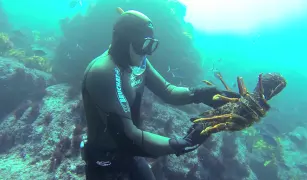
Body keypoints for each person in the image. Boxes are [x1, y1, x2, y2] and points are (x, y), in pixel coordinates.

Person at [81, 10, 240, 180]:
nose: (147, 52)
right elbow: (128, 135)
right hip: (104, 162)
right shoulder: (102, 73)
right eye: (143, 44)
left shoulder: (137, 59)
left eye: (151, 44)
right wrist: (181, 143)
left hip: (131, 155)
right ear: (123, 40)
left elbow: (167, 91)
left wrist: (201, 94)